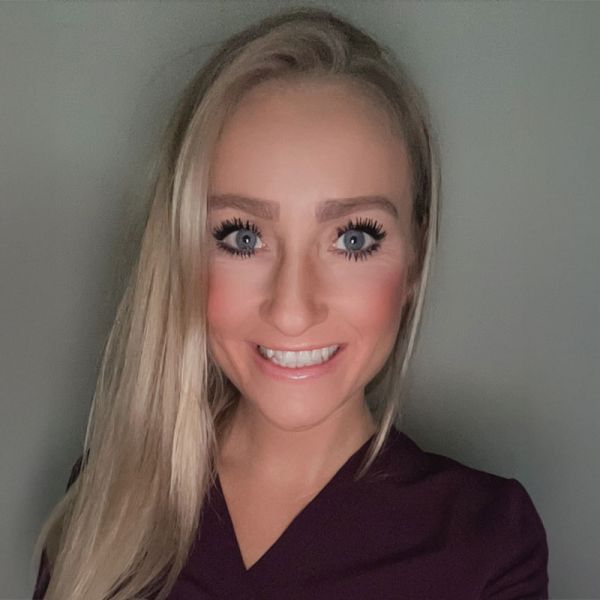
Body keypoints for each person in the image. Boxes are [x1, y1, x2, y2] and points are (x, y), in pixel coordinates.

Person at [32, 6, 548, 599]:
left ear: (414, 256)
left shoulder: (485, 541)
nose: (292, 310)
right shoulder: (107, 503)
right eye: (242, 237)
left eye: (353, 239)